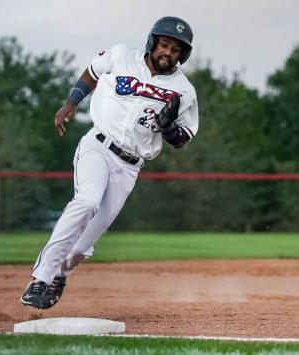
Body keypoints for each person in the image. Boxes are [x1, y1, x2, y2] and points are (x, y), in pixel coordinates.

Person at [21, 16, 199, 309]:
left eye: (176, 49)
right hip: (98, 146)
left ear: (183, 55)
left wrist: (169, 128)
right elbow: (92, 72)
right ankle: (40, 278)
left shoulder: (184, 91)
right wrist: (71, 102)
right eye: (164, 44)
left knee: (86, 242)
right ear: (153, 42)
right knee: (87, 201)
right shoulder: (121, 56)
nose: (168, 52)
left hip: (130, 166)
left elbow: (182, 139)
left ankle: (60, 275)